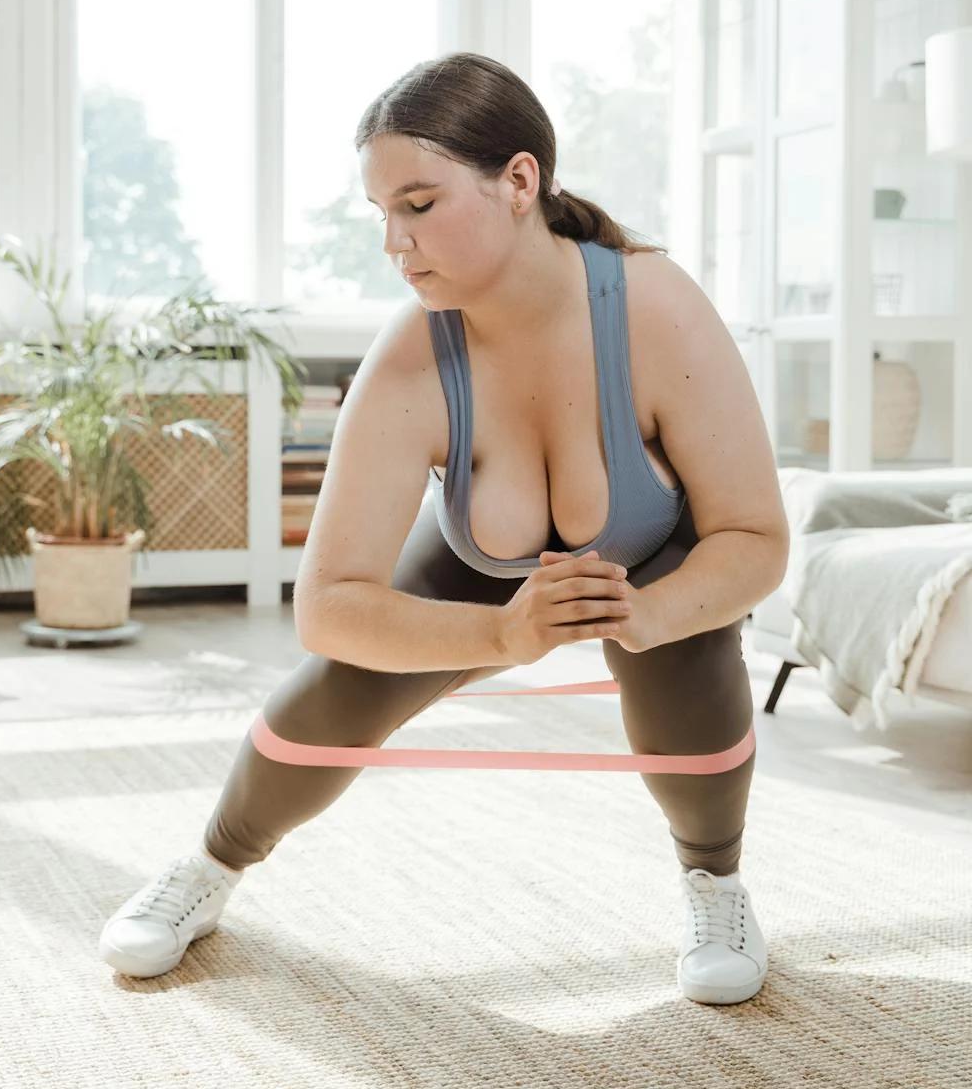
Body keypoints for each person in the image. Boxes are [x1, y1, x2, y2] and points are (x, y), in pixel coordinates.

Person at [99, 52, 789, 1006]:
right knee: (332, 695)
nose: (394, 241)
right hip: (482, 567)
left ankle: (716, 881)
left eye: (418, 205)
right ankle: (208, 869)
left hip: (649, 562)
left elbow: (756, 537)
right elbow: (329, 607)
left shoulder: (657, 308)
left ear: (519, 180)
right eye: (382, 213)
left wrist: (649, 612)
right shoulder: (414, 355)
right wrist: (503, 634)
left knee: (696, 667)